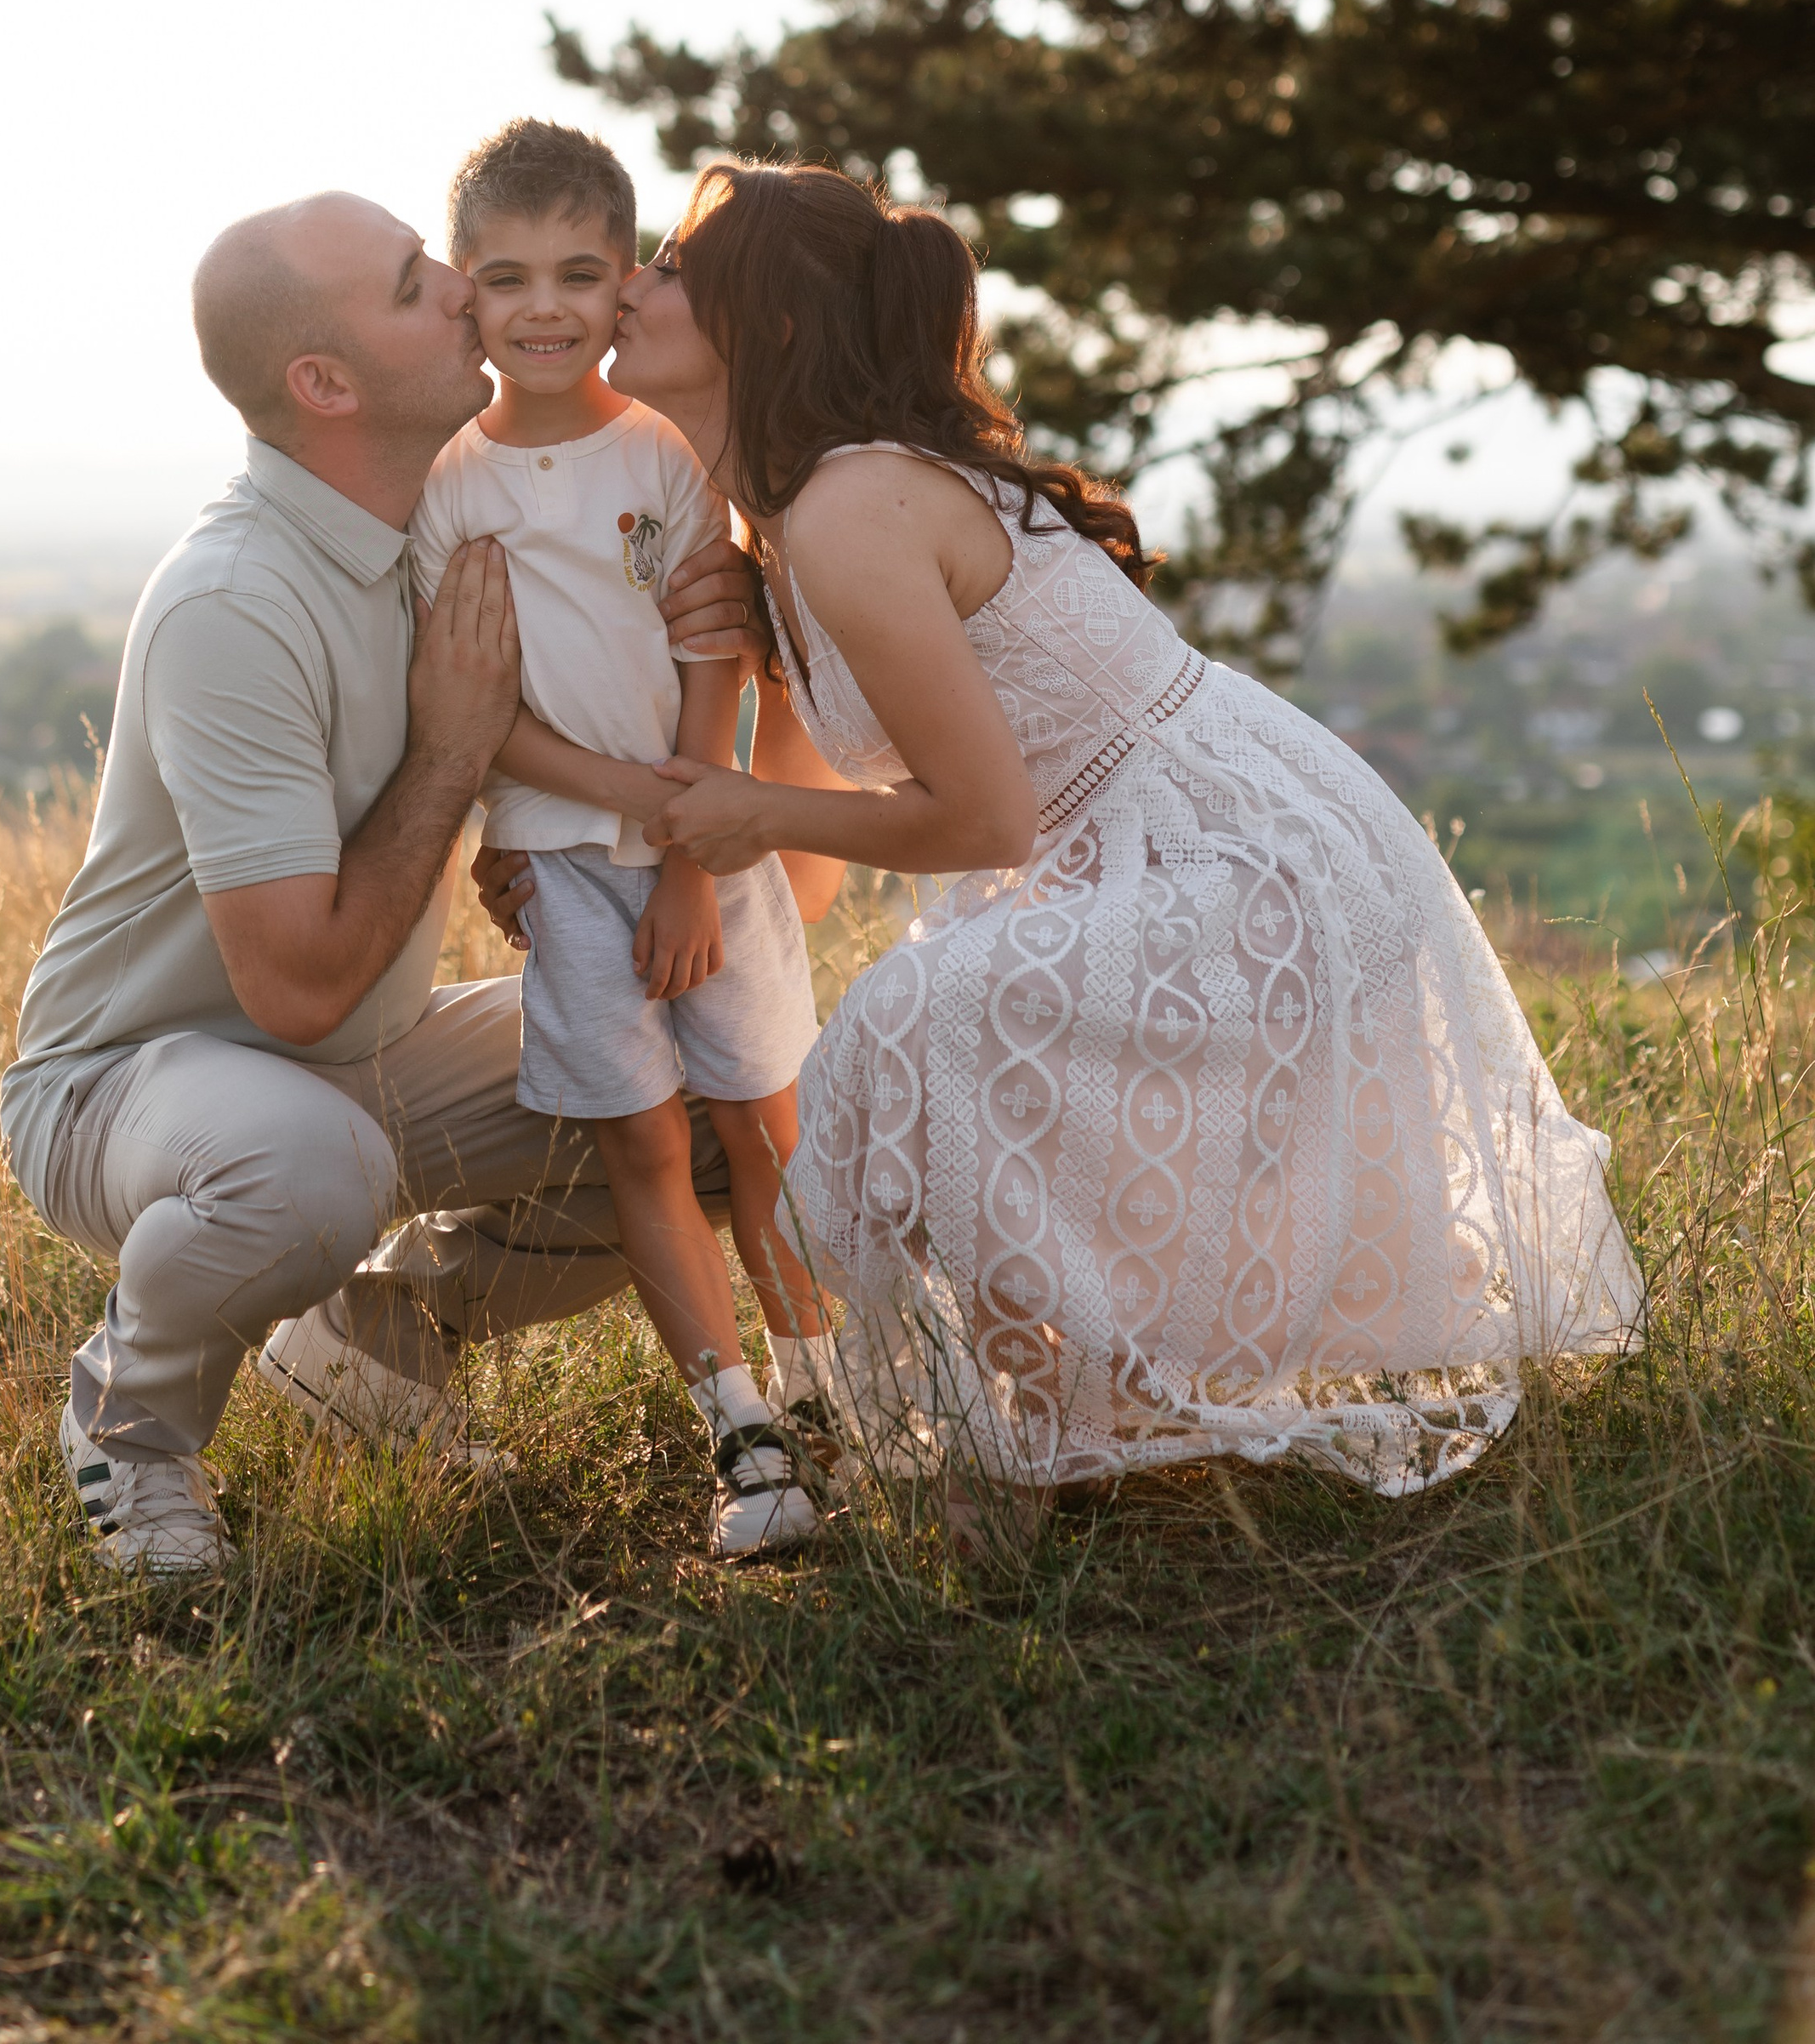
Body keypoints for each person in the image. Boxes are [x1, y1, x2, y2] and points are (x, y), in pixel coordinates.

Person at [574, 160, 1643, 1505]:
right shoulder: (782, 528)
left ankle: (1067, 1435)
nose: (633, 283)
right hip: (1134, 858)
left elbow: (982, 819)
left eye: (672, 267)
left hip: (1244, 861)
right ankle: (1085, 1419)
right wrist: (661, 901)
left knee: (913, 1022)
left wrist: (748, 812)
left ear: (768, 322)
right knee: (908, 1023)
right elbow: (811, 866)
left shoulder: (851, 505)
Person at [0, 187, 755, 1575]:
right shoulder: (237, 600)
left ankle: (374, 1335)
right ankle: (131, 1431)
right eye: (417, 283)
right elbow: (294, 990)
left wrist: (729, 609)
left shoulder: (440, 522)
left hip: (367, 1058)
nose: (465, 289)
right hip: (137, 1083)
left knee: (713, 1081)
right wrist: (453, 758)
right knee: (304, 1167)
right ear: (327, 384)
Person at [411, 120, 833, 1557]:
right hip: (567, 859)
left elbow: (714, 648)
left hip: (712, 845)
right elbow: (476, 711)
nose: (544, 309)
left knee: (764, 1126)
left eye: (578, 274)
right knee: (644, 1148)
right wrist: (626, 806)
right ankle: (742, 1432)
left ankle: (827, 1387)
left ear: (622, 282)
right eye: (507, 278)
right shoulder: (450, 485)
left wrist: (691, 850)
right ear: (464, 289)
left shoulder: (663, 449)